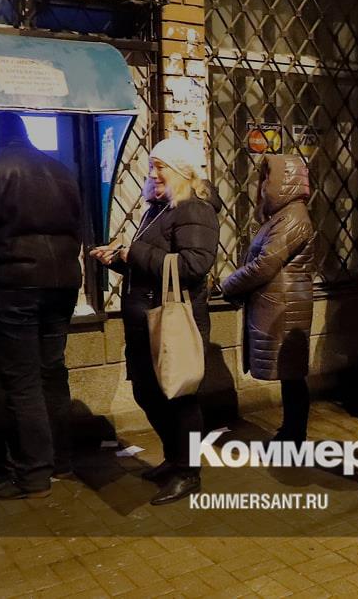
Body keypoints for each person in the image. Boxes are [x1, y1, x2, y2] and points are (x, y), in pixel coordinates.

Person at [0, 112, 83, 500]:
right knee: (52, 372)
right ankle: (61, 459)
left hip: (12, 287)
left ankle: (33, 474)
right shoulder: (61, 170)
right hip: (62, 284)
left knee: (22, 381)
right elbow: (78, 227)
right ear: (26, 134)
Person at [91, 137, 220, 506]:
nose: (153, 174)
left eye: (160, 167)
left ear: (181, 169)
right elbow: (152, 266)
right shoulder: (161, 208)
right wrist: (119, 258)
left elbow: (194, 266)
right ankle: (174, 458)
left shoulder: (194, 209)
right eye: (151, 166)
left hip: (172, 322)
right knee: (147, 393)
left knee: (179, 398)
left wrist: (135, 252)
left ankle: (188, 472)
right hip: (146, 321)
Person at [221, 155, 316, 444]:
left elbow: (265, 264)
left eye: (267, 179)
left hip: (285, 307)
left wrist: (229, 284)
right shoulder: (283, 216)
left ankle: (294, 436)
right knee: (290, 375)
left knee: (292, 376)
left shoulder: (293, 217)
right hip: (280, 304)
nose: (262, 186)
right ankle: (290, 432)